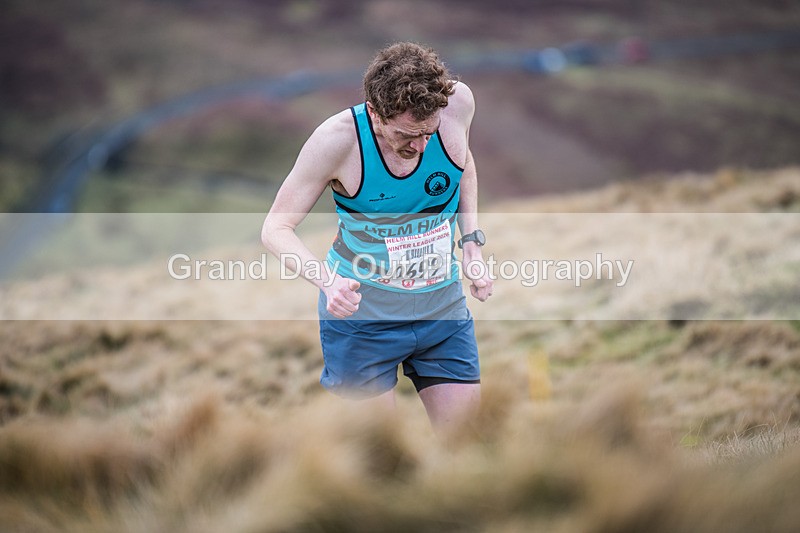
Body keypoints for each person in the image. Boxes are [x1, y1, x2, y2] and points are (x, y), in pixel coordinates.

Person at [261, 42, 493, 434]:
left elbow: (462, 162)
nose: (420, 146)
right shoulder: (336, 141)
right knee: (381, 462)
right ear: (375, 113)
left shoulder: (457, 104)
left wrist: (470, 243)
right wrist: (328, 282)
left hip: (442, 311)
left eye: (428, 132)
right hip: (362, 320)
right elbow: (275, 229)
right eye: (407, 134)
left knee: (469, 445)